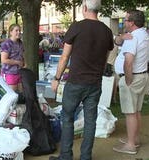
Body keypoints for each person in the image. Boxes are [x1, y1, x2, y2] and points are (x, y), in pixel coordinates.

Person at [49, 0, 114, 159]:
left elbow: (64, 57)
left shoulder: (77, 27)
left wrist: (56, 78)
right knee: (90, 121)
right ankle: (86, 157)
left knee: (67, 117)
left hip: (76, 82)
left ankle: (66, 156)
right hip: (94, 83)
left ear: (84, 8)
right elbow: (105, 58)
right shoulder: (106, 31)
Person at [113, 10, 149, 155]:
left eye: (126, 20)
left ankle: (130, 145)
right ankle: (134, 139)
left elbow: (128, 62)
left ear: (132, 22)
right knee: (136, 111)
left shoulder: (133, 38)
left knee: (130, 112)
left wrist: (128, 80)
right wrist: (121, 36)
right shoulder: (143, 34)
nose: (124, 22)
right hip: (141, 76)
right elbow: (117, 41)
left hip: (132, 78)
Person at [0, 24, 25, 91]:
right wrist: (17, 62)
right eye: (16, 30)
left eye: (19, 30)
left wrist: (24, 63)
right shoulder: (6, 44)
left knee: (21, 94)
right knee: (12, 95)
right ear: (11, 32)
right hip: (9, 73)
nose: (18, 32)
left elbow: (22, 55)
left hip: (20, 72)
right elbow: (4, 60)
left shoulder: (20, 43)